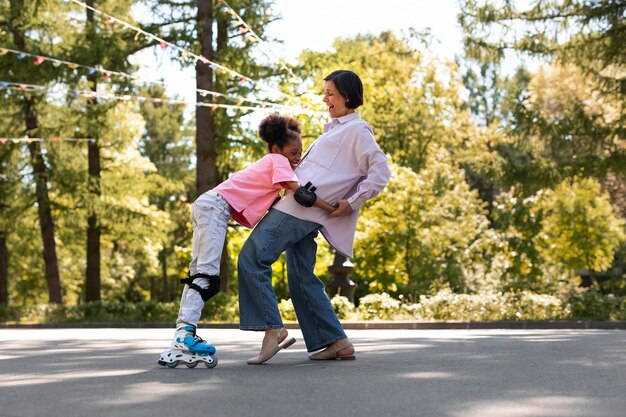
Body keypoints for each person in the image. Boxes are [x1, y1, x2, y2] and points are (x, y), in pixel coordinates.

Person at [158, 113, 337, 369]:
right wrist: (330, 208)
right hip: (215, 208)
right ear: (278, 148)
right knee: (207, 274)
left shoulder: (271, 162)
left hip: (208, 205)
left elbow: (278, 200)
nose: (298, 158)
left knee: (199, 271)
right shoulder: (278, 160)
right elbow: (301, 195)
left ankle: (183, 332)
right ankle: (184, 337)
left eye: (300, 153)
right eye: (294, 152)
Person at [238, 70, 391, 365]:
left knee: (252, 257)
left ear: (347, 96)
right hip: (305, 207)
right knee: (300, 275)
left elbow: (380, 171)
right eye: (325, 93)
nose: (325, 99)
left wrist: (351, 202)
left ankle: (273, 329)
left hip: (299, 209)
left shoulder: (357, 131)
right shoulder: (333, 130)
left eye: (330, 93)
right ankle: (334, 340)